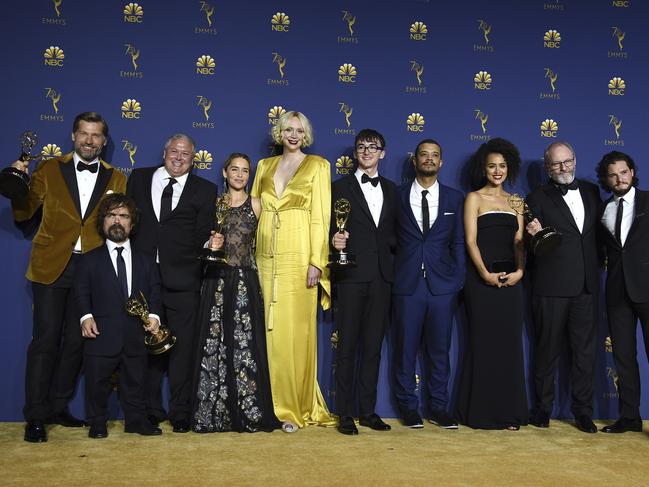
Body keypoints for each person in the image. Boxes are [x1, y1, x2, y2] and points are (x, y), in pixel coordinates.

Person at [9, 112, 127, 442]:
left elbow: (118, 224)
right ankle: (35, 416)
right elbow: (24, 213)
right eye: (84, 134)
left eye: (96, 135)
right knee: (45, 341)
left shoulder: (117, 177)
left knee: (77, 343)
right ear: (74, 136)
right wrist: (17, 183)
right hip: (51, 265)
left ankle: (58, 406)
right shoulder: (48, 168)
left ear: (104, 141)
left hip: (91, 269)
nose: (89, 140)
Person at [250, 110, 335, 432]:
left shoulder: (318, 165)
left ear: (306, 134)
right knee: (267, 333)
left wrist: (317, 261)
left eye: (299, 130)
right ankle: (266, 407)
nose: (294, 135)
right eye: (288, 129)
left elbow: (320, 216)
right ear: (279, 133)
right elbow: (254, 210)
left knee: (294, 334)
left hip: (300, 257)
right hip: (265, 258)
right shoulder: (264, 167)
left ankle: (293, 408)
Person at [126, 134, 217, 433]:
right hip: (143, 281)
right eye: (174, 151)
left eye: (186, 154)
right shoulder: (138, 178)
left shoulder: (205, 189)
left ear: (194, 158)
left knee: (183, 351)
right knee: (146, 347)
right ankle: (149, 409)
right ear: (164, 151)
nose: (179, 157)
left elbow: (203, 232)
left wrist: (211, 244)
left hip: (184, 281)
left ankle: (181, 412)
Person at [192, 153, 280, 433]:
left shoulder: (257, 204)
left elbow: (266, 243)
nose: (240, 175)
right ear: (224, 172)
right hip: (216, 280)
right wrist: (211, 243)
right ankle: (214, 413)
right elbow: (199, 239)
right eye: (235, 170)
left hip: (245, 281)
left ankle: (247, 411)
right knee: (215, 343)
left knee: (245, 345)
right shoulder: (214, 203)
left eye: (245, 171)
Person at [526, 141, 601, 433]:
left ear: (575, 160)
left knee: (584, 354)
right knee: (546, 351)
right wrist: (533, 235)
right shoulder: (536, 197)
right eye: (556, 164)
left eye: (567, 161)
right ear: (547, 167)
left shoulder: (593, 191)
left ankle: (583, 412)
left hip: (586, 287)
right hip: (551, 286)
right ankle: (542, 409)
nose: (563, 168)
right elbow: (531, 245)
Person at [74, 193, 162, 438]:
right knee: (97, 381)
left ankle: (136, 421)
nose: (117, 221)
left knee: (136, 381)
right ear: (103, 222)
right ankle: (97, 422)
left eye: (123, 216)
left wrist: (154, 315)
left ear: (131, 224)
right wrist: (85, 317)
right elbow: (80, 292)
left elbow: (155, 290)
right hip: (101, 334)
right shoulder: (89, 260)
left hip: (135, 334)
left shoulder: (146, 261)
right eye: (111, 215)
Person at [392, 139, 465, 429]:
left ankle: (438, 407)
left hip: (442, 287)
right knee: (405, 350)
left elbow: (459, 242)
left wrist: (458, 278)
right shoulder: (396, 196)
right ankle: (408, 407)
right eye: (424, 155)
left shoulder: (454, 198)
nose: (429, 159)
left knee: (439, 351)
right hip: (407, 284)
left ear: (441, 162)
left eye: (435, 155)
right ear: (415, 161)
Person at [455, 138, 528, 430]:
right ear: (483, 169)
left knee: (510, 347)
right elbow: (470, 240)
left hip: (512, 282)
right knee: (483, 344)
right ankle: (480, 414)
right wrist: (484, 274)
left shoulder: (517, 201)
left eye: (502, 166)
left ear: (508, 168)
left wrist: (521, 271)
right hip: (481, 282)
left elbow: (519, 242)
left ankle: (509, 413)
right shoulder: (473, 198)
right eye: (491, 166)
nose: (497, 171)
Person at [331, 129, 397, 435]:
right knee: (347, 346)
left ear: (382, 153)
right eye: (362, 146)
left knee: (373, 348)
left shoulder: (394, 190)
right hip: (351, 276)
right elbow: (328, 228)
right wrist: (334, 241)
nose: (367, 151)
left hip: (383, 279)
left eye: (374, 147)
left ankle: (367, 411)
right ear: (355, 152)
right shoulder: (337, 188)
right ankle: (344, 413)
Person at [596, 151, 648, 434]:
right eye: (613, 174)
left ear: (632, 172)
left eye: (623, 172)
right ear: (607, 179)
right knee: (624, 358)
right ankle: (629, 418)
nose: (619, 179)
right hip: (617, 293)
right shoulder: (604, 209)